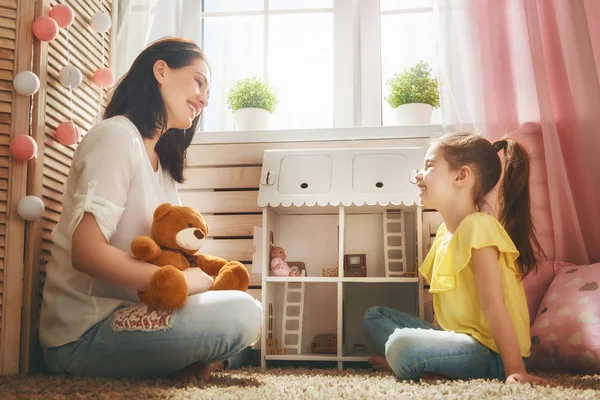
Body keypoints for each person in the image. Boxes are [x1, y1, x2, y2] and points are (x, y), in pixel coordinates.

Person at [39, 37, 262, 382]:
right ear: (161, 70)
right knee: (242, 316)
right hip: (84, 333)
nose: (204, 98)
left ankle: (196, 362)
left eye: (208, 90)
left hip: (142, 312)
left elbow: (166, 252)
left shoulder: (164, 165)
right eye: (198, 81)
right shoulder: (116, 137)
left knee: (248, 314)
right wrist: (181, 281)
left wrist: (196, 278)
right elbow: (86, 252)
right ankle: (200, 362)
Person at [362, 132, 552, 385]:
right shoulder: (443, 234)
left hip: (492, 352)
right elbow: (443, 311)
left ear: (461, 176)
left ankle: (410, 361)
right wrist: (435, 343)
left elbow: (495, 305)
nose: (418, 175)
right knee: (374, 316)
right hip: (456, 340)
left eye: (429, 166)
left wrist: (515, 369)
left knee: (401, 343)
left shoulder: (478, 227)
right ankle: (421, 362)